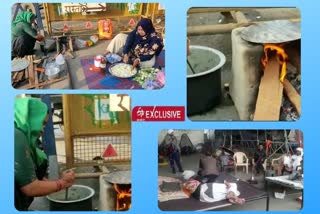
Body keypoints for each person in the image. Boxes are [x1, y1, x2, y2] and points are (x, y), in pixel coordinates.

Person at [14, 97, 75, 211]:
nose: (42, 129)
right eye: (42, 123)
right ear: (31, 118)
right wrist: (63, 183)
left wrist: (60, 181)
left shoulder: (25, 137)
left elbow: (32, 178)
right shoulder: (16, 136)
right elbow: (31, 188)